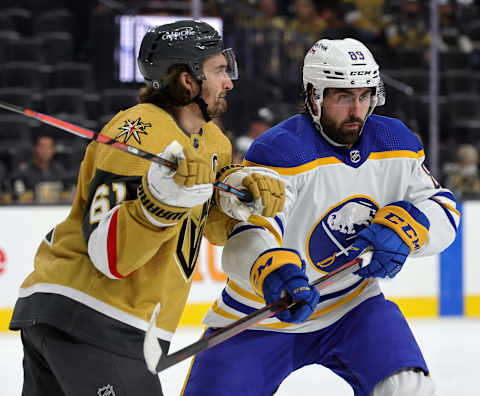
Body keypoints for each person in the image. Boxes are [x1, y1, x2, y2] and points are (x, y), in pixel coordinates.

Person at [9, 20, 285, 396]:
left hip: (96, 323)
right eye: (220, 70)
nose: (230, 81)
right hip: (92, 317)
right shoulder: (137, 130)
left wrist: (238, 197)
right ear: (188, 80)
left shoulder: (214, 140)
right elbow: (110, 254)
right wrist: (163, 200)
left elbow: (211, 229)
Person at [182, 38, 460, 396]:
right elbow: (248, 235)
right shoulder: (281, 150)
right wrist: (272, 270)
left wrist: (413, 228)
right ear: (314, 96)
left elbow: (444, 208)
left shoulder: (396, 142)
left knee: (409, 388)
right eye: (344, 97)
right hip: (262, 315)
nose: (358, 111)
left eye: (365, 96)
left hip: (352, 307)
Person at [11, 134, 73, 204]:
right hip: (30, 211)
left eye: (49, 147)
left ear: (53, 150)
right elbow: (15, 197)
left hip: (56, 211)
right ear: (35, 148)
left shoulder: (59, 170)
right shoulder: (23, 171)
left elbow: (68, 193)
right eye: (42, 147)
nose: (45, 151)